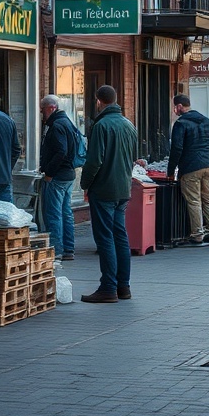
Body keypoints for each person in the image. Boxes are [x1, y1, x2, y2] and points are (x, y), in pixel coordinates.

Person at [79, 84, 138, 303]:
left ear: (99, 101)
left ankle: (108, 287)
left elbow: (94, 161)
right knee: (119, 235)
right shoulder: (128, 124)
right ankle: (123, 286)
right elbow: (133, 157)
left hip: (104, 188)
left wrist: (85, 184)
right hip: (123, 188)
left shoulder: (101, 125)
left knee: (105, 238)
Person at [166, 94, 209, 247]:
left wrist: (171, 171)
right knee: (208, 198)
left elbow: (176, 148)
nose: (174, 110)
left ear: (179, 106)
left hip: (191, 167)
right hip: (208, 166)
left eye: (175, 107)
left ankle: (197, 235)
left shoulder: (181, 123)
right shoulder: (206, 120)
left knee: (194, 200)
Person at [39, 94, 76, 261]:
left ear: (51, 108)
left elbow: (61, 151)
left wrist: (49, 173)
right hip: (68, 174)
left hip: (58, 176)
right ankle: (68, 248)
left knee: (54, 214)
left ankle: (56, 250)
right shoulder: (67, 122)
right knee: (66, 212)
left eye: (42, 110)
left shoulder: (57, 125)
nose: (41, 113)